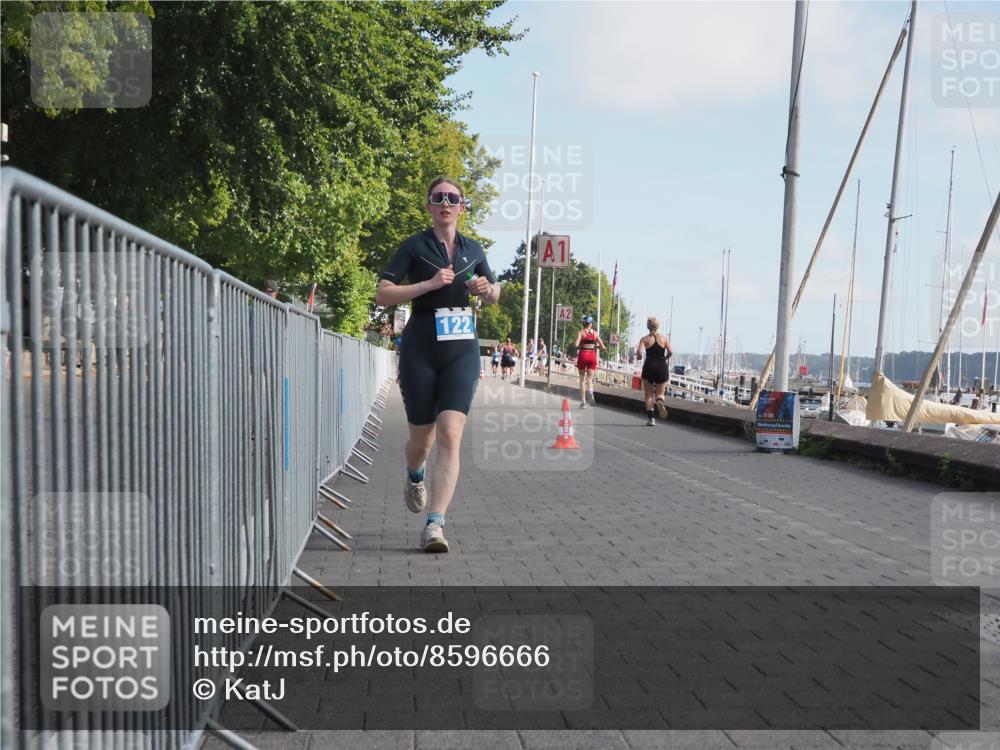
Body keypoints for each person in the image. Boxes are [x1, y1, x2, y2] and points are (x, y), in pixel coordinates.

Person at [375, 177, 500, 553]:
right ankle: (415, 475)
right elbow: (382, 294)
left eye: (453, 198)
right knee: (422, 441)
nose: (445, 203)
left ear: (463, 207)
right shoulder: (414, 246)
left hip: (461, 345)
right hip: (421, 344)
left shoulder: (473, 249)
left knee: (450, 433)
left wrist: (487, 290)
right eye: (438, 198)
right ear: (429, 206)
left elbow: (495, 292)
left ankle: (435, 524)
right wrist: (426, 286)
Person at [635, 316, 673, 426]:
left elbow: (640, 353)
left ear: (648, 326)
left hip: (649, 366)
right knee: (660, 393)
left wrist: (638, 356)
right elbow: (670, 352)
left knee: (649, 395)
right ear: (657, 326)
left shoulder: (644, 339)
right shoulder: (664, 339)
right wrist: (664, 359)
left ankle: (651, 419)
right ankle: (660, 401)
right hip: (661, 366)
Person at [574, 315, 605, 408]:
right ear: (591, 324)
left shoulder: (581, 332)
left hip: (583, 355)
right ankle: (591, 392)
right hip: (592, 355)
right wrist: (594, 346)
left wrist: (582, 345)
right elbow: (603, 347)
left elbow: (576, 345)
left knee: (582, 379)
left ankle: (583, 402)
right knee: (590, 379)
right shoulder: (595, 333)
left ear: (584, 323)